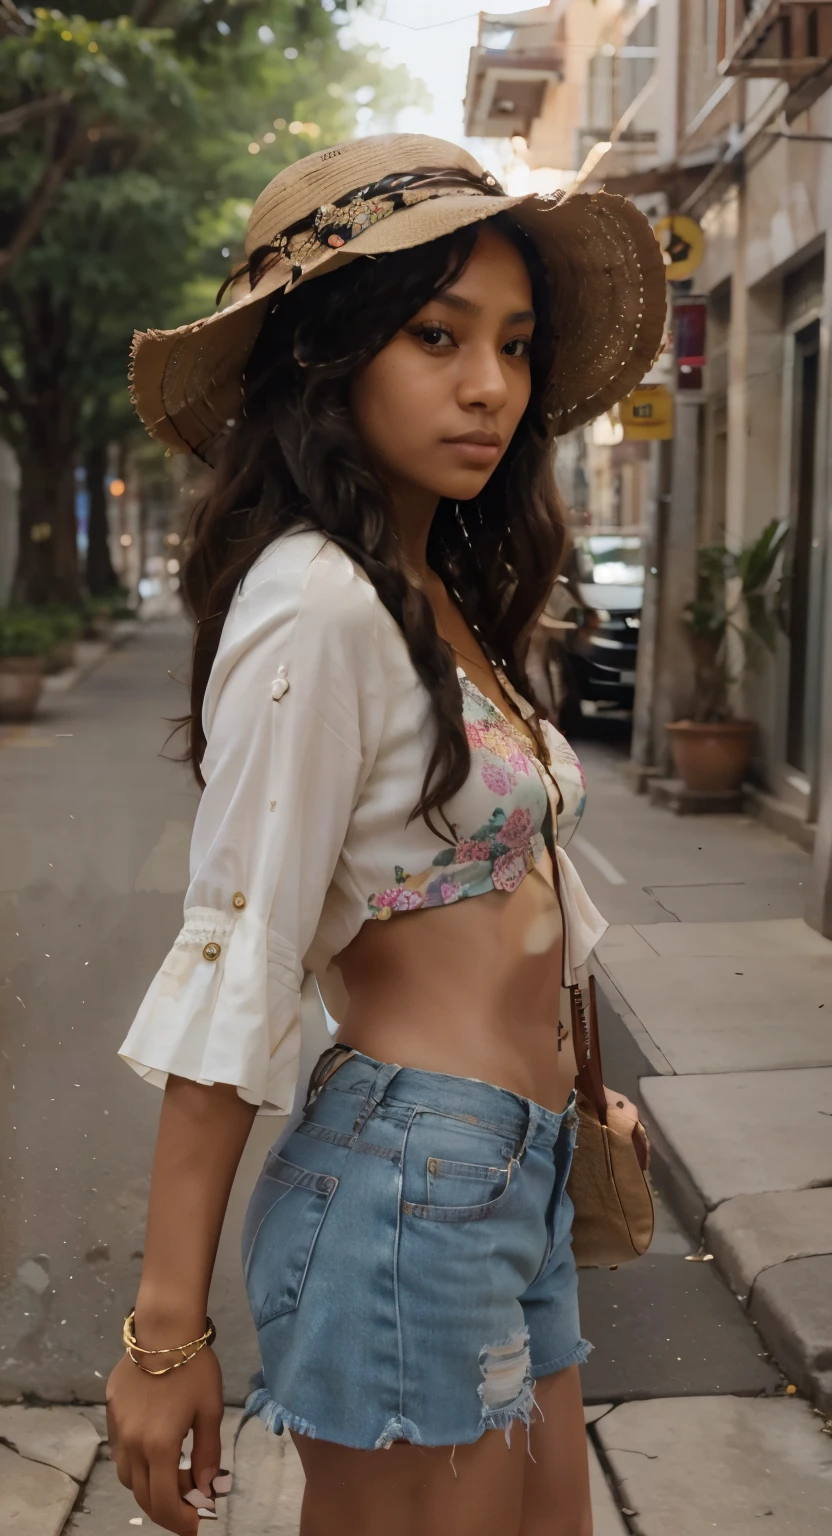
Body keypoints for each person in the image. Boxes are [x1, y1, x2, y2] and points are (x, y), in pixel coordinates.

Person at [107, 134, 665, 1536]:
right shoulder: (316, 602)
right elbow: (243, 945)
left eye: (519, 346)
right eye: (437, 335)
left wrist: (577, 1090)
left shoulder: (430, 591)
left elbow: (506, 887)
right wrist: (165, 1333)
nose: (492, 385)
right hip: (411, 1181)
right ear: (331, 353)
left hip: (512, 1167)